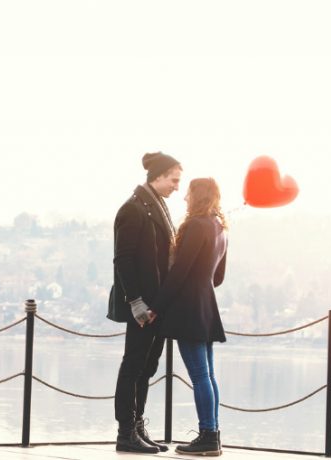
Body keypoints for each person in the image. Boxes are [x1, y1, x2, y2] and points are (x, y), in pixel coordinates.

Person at [147, 177, 228, 456]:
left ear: (199, 196)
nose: (185, 198)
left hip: (189, 309)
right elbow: (219, 277)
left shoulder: (196, 225)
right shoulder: (220, 227)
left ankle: (207, 436)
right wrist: (201, 281)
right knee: (209, 375)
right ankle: (213, 436)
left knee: (199, 375)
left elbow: (179, 271)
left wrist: (156, 306)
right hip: (207, 306)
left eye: (189, 193)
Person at [108, 152, 182, 453]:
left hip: (157, 305)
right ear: (158, 176)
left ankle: (137, 427)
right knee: (133, 365)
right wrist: (136, 301)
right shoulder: (133, 209)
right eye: (174, 180)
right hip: (142, 306)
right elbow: (123, 259)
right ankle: (125, 433)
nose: (177, 186)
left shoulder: (157, 206)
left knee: (147, 367)